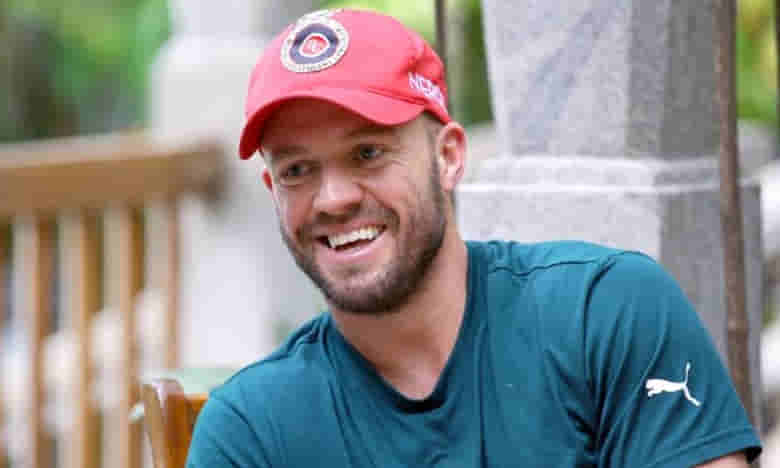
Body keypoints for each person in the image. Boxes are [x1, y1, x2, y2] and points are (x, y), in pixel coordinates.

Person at [187, 8, 762, 467]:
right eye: (297, 170)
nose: (333, 198)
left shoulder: (606, 312)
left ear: (448, 157)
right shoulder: (251, 431)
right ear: (273, 190)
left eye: (367, 153)